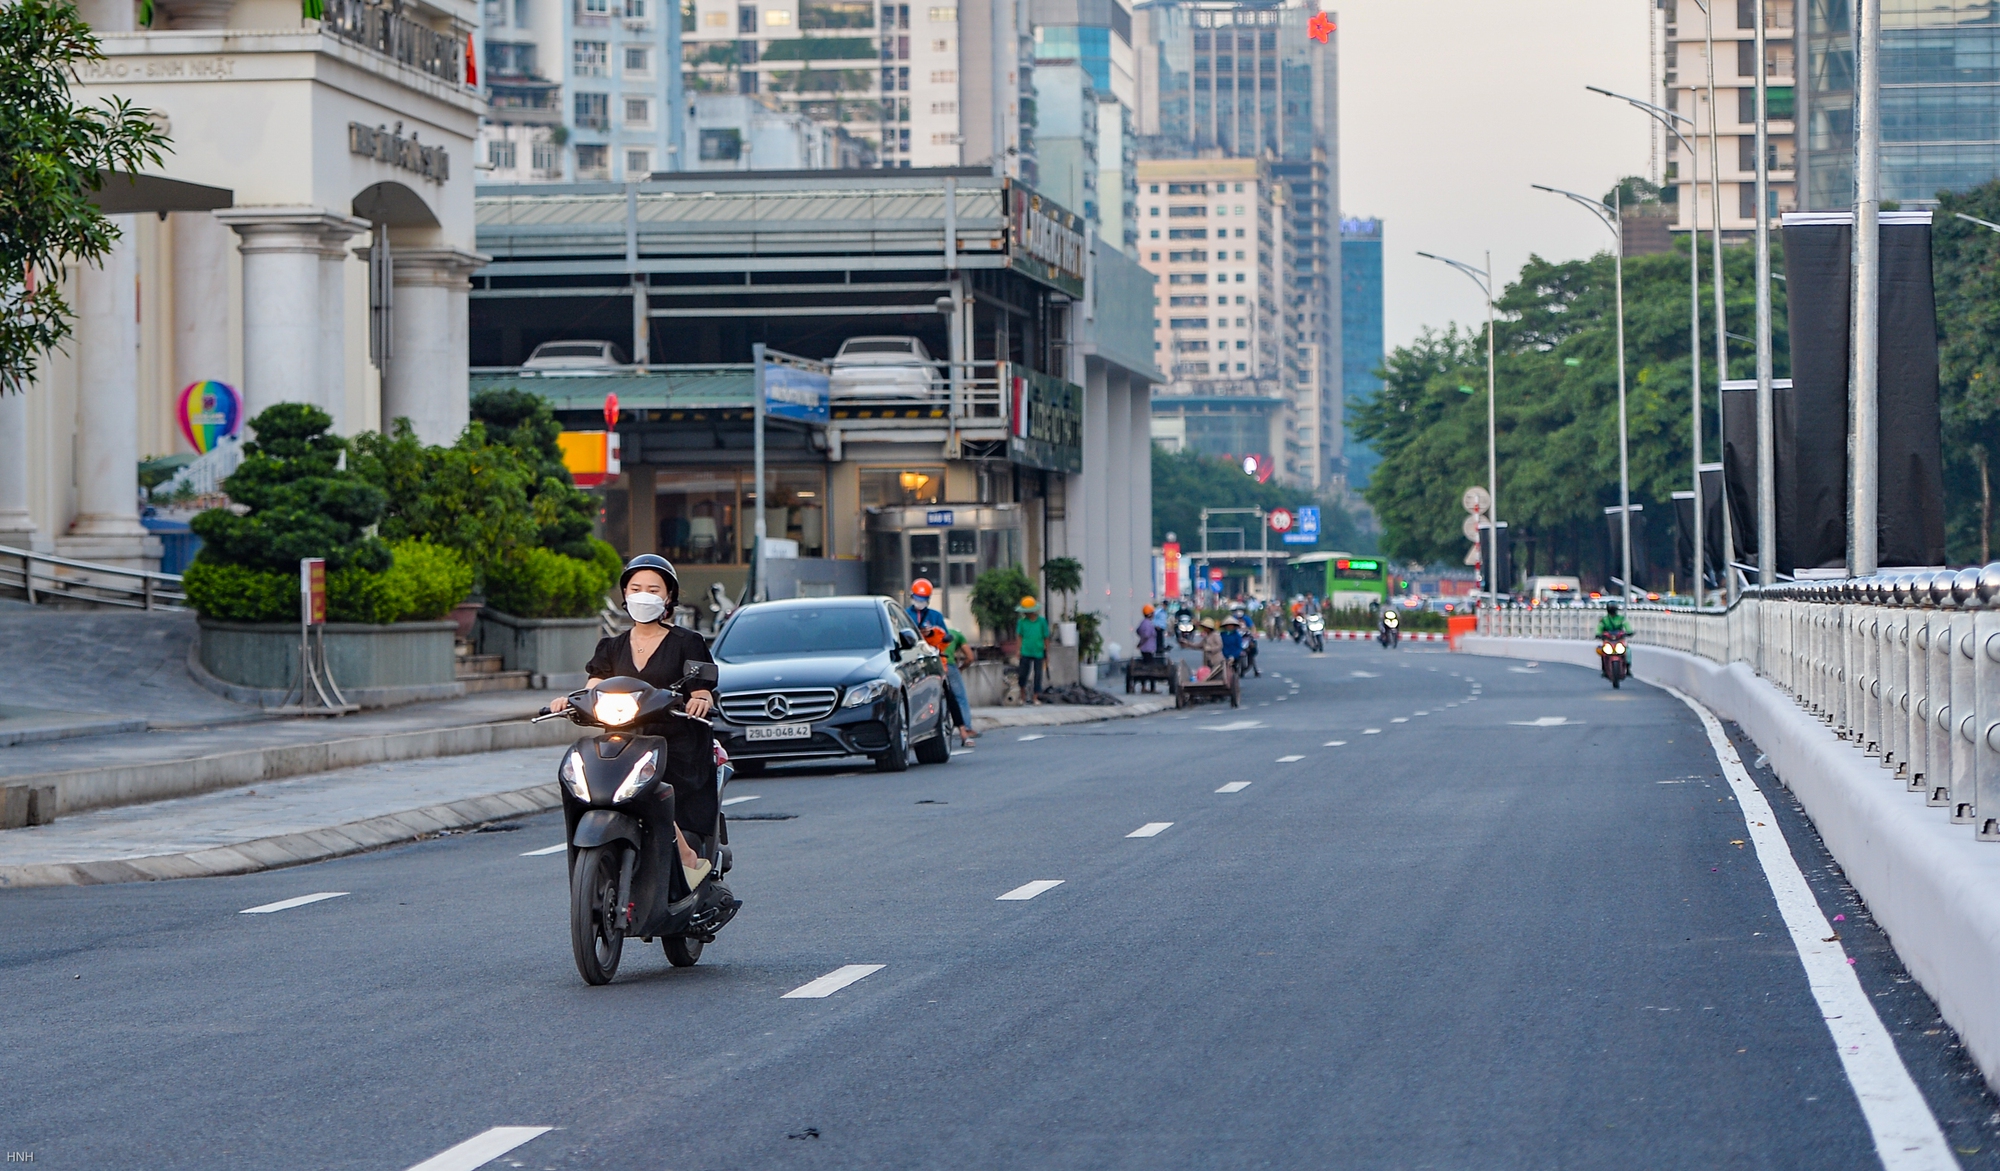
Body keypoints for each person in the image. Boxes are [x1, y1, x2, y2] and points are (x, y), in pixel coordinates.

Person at [548, 554, 717, 893]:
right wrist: (572, 700)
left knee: (657, 791)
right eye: (636, 588)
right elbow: (594, 685)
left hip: (675, 742)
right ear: (624, 595)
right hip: (622, 739)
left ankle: (686, 856)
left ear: (668, 597)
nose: (644, 595)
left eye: (654, 589)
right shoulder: (610, 646)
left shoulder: (688, 641)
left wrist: (700, 699)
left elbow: (702, 687)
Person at [1015, 595, 1049, 703]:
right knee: (1023, 674)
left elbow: (1046, 637)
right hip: (1025, 651)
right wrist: (1018, 650)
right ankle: (1022, 696)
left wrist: (1047, 652)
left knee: (1038, 674)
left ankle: (1035, 697)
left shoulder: (1042, 621)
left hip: (1038, 651)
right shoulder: (1022, 622)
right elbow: (1019, 637)